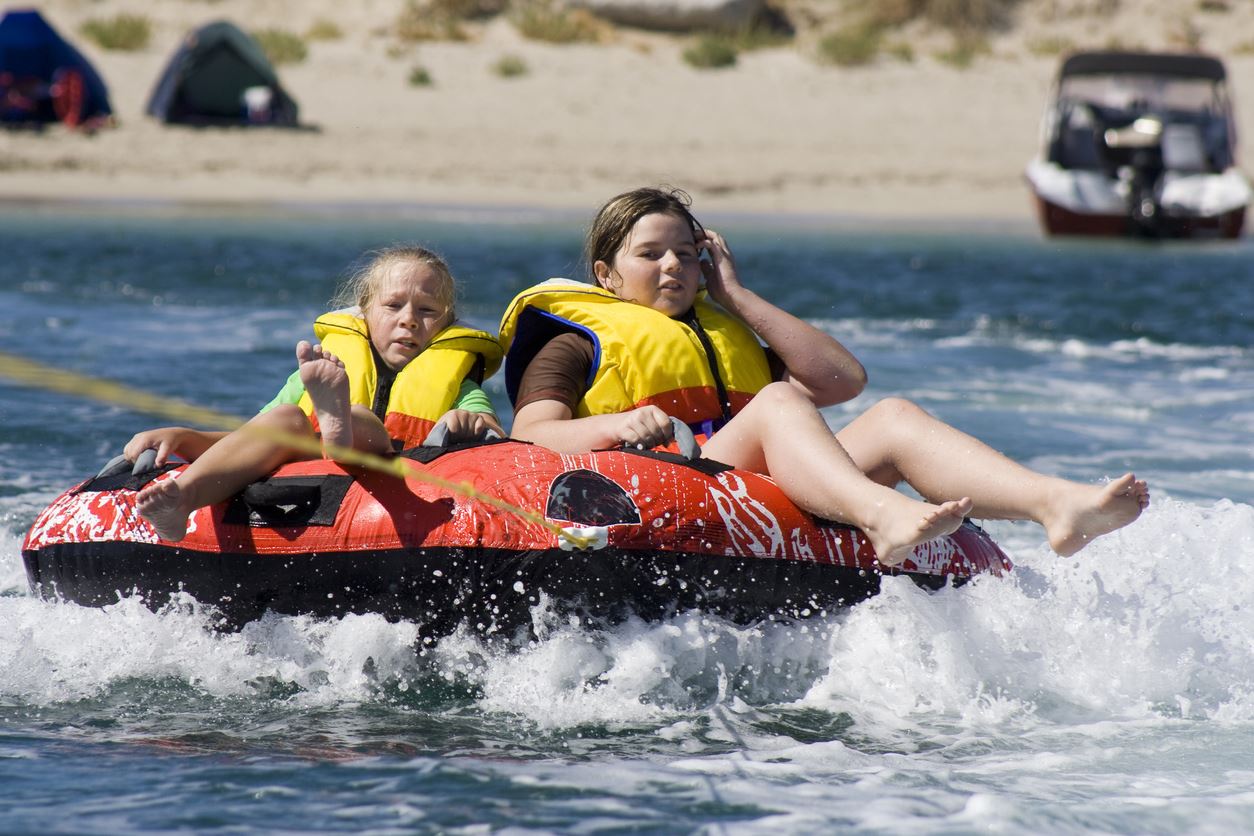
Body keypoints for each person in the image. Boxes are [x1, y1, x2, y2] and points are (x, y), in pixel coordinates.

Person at [498, 187, 1149, 565]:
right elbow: (529, 436)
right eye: (650, 255)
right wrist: (619, 423)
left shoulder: (725, 329)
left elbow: (842, 380)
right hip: (665, 495)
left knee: (893, 418)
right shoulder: (573, 339)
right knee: (781, 402)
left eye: (687, 256)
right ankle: (880, 515)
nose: (673, 267)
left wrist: (739, 299)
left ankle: (1054, 504)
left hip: (758, 498)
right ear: (606, 275)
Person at [131, 245, 504, 542]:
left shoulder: (460, 386)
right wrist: (184, 437)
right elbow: (248, 441)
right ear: (364, 313)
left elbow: (498, 442)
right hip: (314, 464)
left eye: (427, 310)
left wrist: (470, 420)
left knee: (362, 420)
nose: (408, 318)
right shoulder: (315, 375)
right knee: (286, 419)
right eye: (393, 306)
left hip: (391, 463)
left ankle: (339, 423)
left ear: (447, 323)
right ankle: (182, 498)